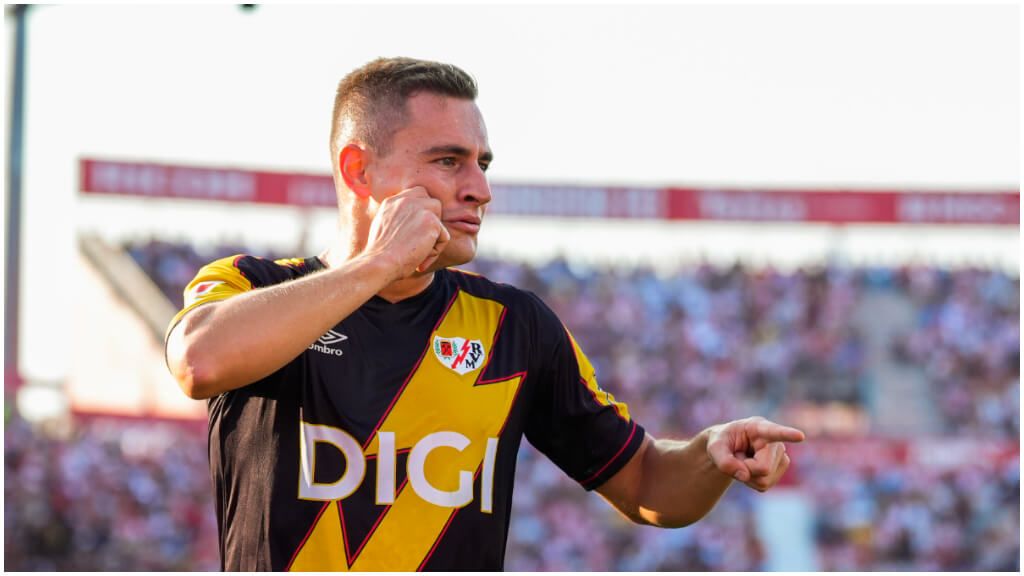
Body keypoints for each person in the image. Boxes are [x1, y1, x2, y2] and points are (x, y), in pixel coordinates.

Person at [165, 57, 805, 571]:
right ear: (358, 170)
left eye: (483, 163)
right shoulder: (251, 285)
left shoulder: (515, 327)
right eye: (448, 161)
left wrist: (708, 455)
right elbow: (199, 361)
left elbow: (645, 486)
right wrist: (376, 265)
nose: (480, 188)